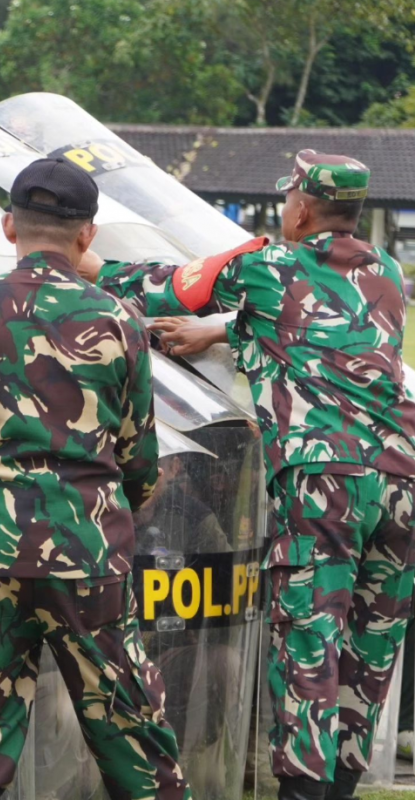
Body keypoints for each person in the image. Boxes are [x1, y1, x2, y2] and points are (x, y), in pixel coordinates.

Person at [78, 149, 415, 800]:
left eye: (291, 198)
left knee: (310, 639)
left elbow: (157, 286)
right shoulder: (387, 274)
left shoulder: (267, 265)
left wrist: (74, 252)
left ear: (302, 208)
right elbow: (322, 331)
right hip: (402, 478)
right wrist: (218, 333)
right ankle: (341, 786)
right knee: (372, 646)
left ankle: (302, 792)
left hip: (327, 481)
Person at [0, 157, 189, 800]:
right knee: (131, 727)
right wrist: (109, 508)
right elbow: (139, 452)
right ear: (88, 237)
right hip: (87, 552)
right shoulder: (119, 320)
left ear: (8, 227)